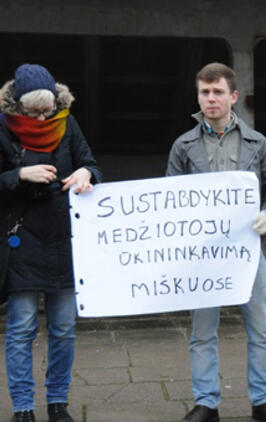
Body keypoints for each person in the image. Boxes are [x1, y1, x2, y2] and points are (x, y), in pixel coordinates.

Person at [166, 62, 266, 422]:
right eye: (204, 92)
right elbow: (169, 198)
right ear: (198, 96)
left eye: (218, 91)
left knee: (262, 329)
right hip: (203, 257)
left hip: (248, 253)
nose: (211, 98)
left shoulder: (257, 142)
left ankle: (263, 401)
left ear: (233, 96)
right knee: (202, 332)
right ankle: (206, 402)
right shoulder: (183, 146)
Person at [0, 64, 102, 422]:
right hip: (21, 240)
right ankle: (23, 409)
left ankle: (58, 404)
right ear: (18, 106)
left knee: (63, 329)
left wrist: (86, 173)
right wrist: (18, 174)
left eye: (48, 110)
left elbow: (90, 162)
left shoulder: (67, 123)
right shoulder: (2, 128)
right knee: (21, 330)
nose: (43, 117)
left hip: (63, 240)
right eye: (35, 112)